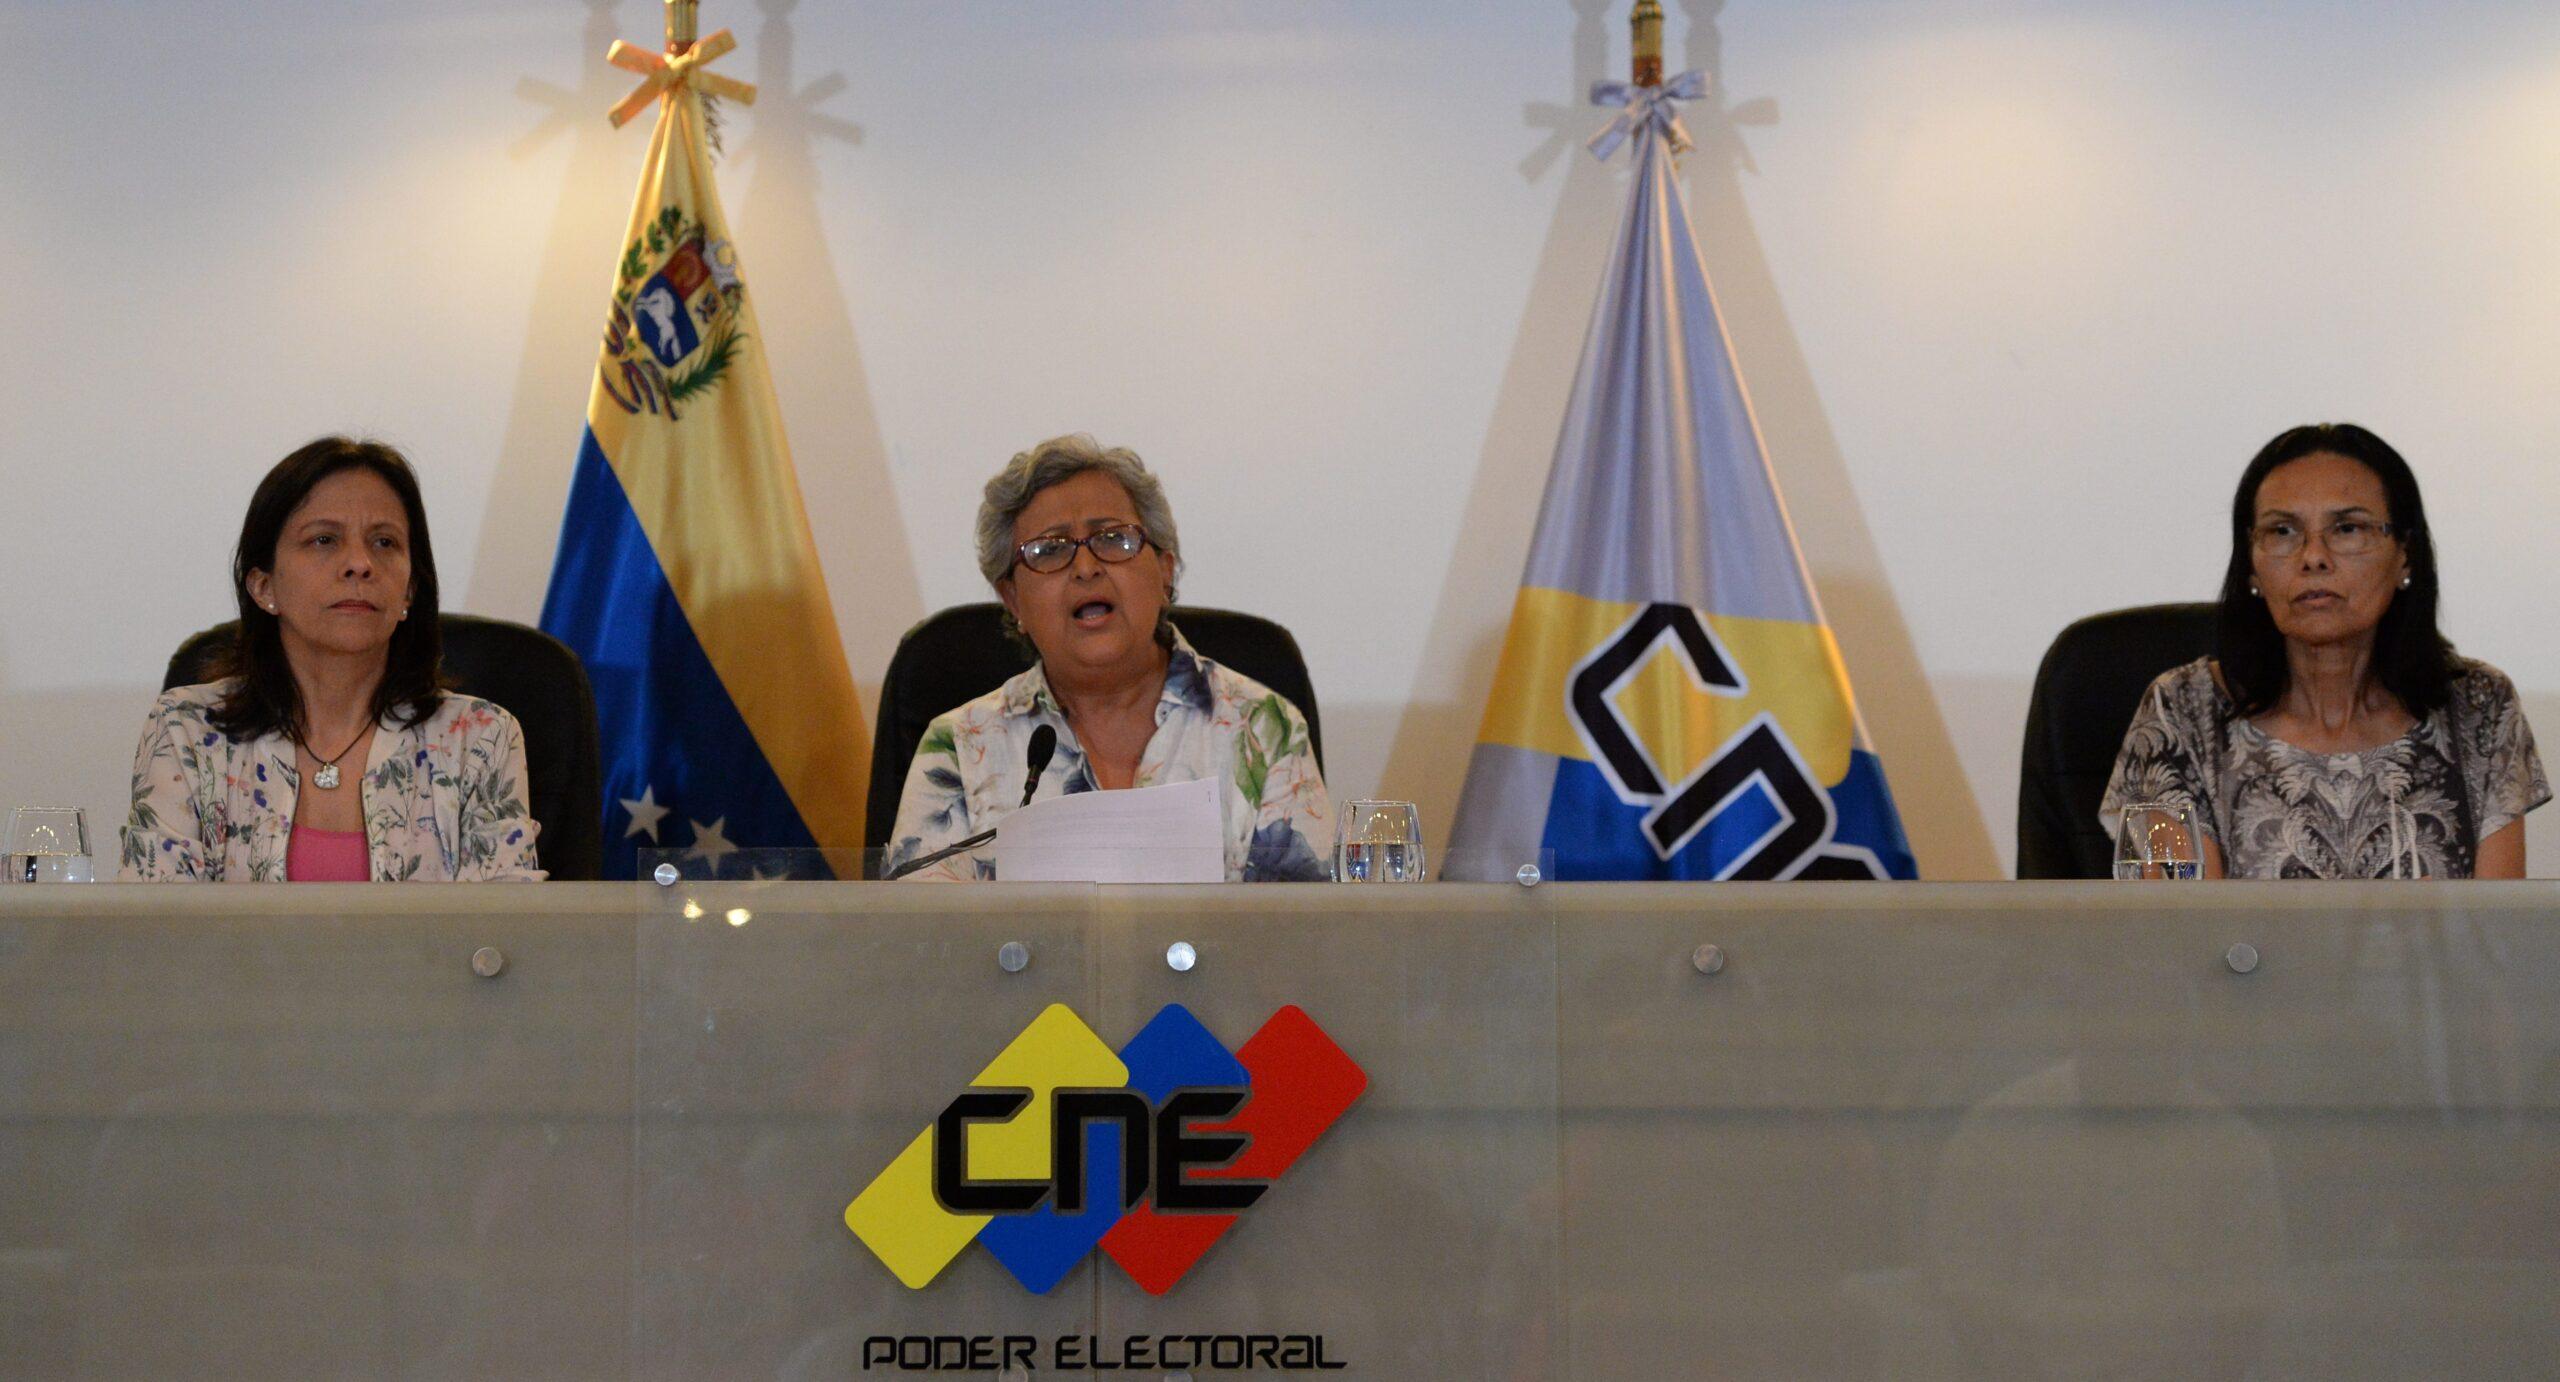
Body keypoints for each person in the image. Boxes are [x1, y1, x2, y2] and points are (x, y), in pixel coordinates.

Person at [2101, 423, 2545, 878]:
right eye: (2282, 531)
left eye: (2347, 528)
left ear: (2405, 555)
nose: (2313, 557)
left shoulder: (2480, 707)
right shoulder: (2175, 712)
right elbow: (2171, 909)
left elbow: (2495, 917)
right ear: (2251, 565)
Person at [887, 434, 1331, 881]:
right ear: (1013, 599)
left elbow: (1308, 920)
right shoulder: (959, 747)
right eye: (1049, 549)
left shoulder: (1264, 728)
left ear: (1164, 572)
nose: (1085, 568)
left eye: (1114, 539)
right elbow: (921, 924)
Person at [120, 437, 542, 882]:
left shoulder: (480, 740)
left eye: (384, 542)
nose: (359, 563)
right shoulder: (187, 731)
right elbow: (159, 921)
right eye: (324, 539)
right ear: (264, 586)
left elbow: (503, 923)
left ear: (409, 591)